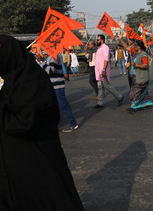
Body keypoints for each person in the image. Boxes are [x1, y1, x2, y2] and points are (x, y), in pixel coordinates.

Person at [0, 35, 84, 210]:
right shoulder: (11, 82)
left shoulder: (33, 82)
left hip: (40, 166)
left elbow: (23, 123)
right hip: (19, 169)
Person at [40, 53, 79, 133]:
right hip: (53, 85)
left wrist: (41, 62)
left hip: (57, 86)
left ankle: (73, 123)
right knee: (54, 106)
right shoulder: (50, 57)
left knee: (64, 105)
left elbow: (50, 70)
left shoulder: (53, 56)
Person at [119, 33, 153, 113]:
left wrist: (136, 65)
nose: (133, 46)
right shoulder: (134, 52)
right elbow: (127, 48)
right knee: (142, 92)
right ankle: (147, 103)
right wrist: (121, 39)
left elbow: (145, 65)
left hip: (141, 77)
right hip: (135, 77)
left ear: (139, 47)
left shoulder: (143, 55)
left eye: (135, 45)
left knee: (135, 92)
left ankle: (134, 107)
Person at [94, 34, 124, 108]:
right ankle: (100, 102)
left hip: (103, 71)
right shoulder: (99, 48)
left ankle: (119, 97)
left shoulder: (105, 48)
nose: (96, 41)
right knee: (100, 86)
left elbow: (106, 60)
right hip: (98, 71)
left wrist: (104, 70)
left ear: (102, 40)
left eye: (98, 40)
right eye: (96, 40)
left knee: (106, 85)